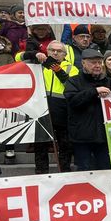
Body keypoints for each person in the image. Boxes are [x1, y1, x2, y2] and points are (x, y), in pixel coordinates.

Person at [64, 49, 111, 171]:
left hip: (104, 137)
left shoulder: (110, 83)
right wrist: (94, 91)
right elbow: (73, 101)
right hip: (82, 138)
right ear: (83, 63)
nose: (98, 66)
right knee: (84, 170)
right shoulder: (73, 81)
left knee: (105, 169)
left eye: (99, 62)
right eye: (93, 63)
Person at [34, 40, 79, 174]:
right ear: (47, 52)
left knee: (65, 145)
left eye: (58, 51)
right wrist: (35, 54)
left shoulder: (72, 68)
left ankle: (64, 171)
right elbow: (19, 57)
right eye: (52, 50)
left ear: (64, 54)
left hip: (63, 111)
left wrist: (56, 68)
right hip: (42, 110)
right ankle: (41, 173)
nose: (55, 53)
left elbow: (70, 85)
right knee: (40, 145)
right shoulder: (39, 66)